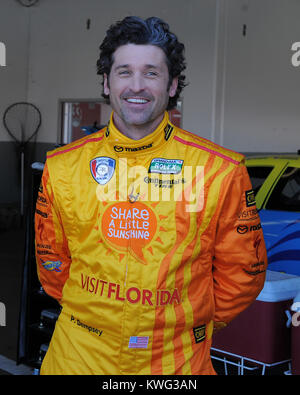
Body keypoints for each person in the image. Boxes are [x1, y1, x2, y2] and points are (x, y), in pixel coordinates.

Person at [35, 16, 267, 375]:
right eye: (124, 72)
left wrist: (180, 324)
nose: (137, 86)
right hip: (77, 357)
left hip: (176, 364)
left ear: (173, 85)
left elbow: (243, 276)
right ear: (106, 82)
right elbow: (52, 268)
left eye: (152, 73)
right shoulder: (62, 166)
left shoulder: (219, 169)